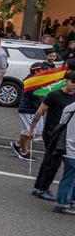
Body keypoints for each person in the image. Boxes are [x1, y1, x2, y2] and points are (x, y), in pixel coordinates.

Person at [28, 72, 75, 200]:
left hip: (66, 133)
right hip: (52, 132)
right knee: (53, 162)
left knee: (49, 160)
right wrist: (32, 129)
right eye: (73, 82)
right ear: (66, 81)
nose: (74, 86)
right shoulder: (55, 95)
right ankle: (42, 189)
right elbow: (40, 112)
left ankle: (38, 187)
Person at [52, 100, 75, 214]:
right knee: (69, 178)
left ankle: (69, 200)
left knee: (70, 176)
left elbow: (61, 123)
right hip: (73, 150)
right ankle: (62, 203)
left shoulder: (69, 107)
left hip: (65, 147)